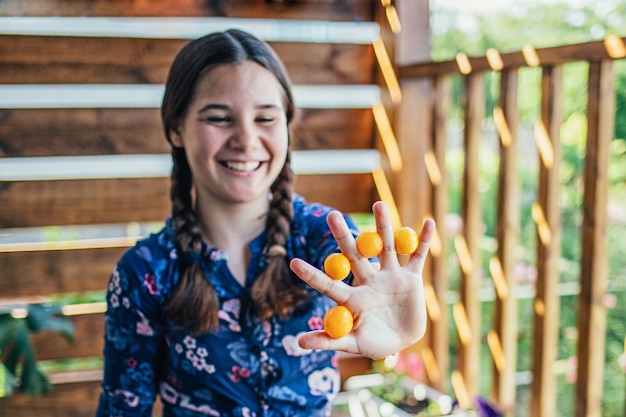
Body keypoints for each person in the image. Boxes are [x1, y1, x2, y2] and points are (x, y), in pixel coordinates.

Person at [96, 28, 435, 417]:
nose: (246, 139)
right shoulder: (145, 272)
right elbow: (122, 408)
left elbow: (365, 283)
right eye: (220, 118)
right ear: (176, 129)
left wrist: (391, 330)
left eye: (266, 118)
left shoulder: (323, 234)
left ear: (287, 127)